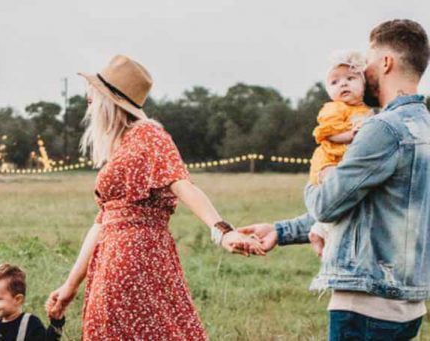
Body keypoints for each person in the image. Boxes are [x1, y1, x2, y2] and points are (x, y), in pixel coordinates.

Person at [43, 55, 263, 340]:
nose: (88, 101)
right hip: (111, 259)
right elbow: (103, 221)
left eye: (92, 96)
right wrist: (70, 286)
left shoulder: (148, 135)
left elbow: (182, 185)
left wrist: (222, 231)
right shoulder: (121, 145)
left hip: (139, 261)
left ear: (108, 102)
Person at [240, 19, 430, 341]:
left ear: (385, 63)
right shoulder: (423, 126)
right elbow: (359, 205)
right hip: (409, 305)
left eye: (366, 62)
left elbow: (328, 205)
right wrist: (280, 231)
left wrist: (318, 174)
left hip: (365, 304)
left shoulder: (383, 130)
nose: (363, 71)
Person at [307, 50, 373, 253]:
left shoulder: (367, 111)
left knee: (349, 199)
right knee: (336, 190)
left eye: (350, 78)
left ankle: (319, 230)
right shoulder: (334, 108)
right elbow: (328, 133)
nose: (343, 84)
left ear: (363, 84)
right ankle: (320, 231)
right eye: (335, 82)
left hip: (346, 161)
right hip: (329, 160)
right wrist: (350, 135)